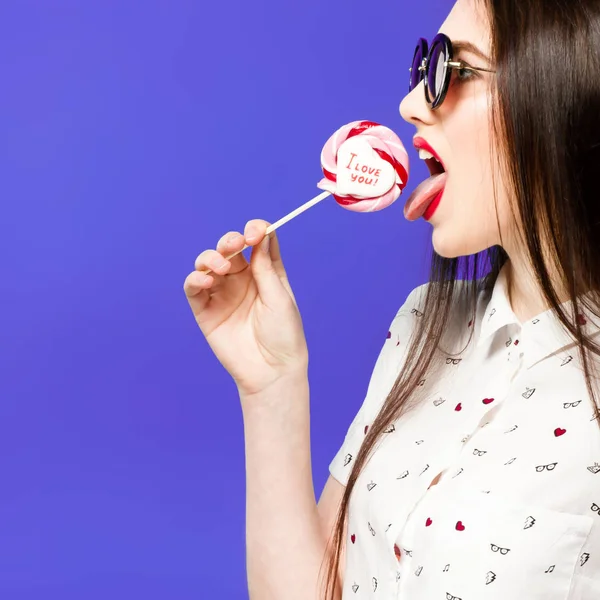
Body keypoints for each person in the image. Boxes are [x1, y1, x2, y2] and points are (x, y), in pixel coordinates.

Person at [183, 0, 600, 597]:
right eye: (425, 65)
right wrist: (270, 386)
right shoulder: (424, 325)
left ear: (566, 91)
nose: (410, 104)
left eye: (455, 70)